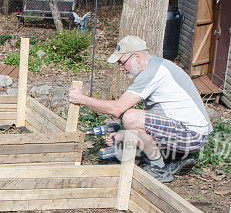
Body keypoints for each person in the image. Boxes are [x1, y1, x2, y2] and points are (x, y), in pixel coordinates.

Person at [67, 35, 212, 182]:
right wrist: (122, 135)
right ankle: (177, 160)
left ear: (136, 56)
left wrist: (82, 99)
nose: (121, 68)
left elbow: (118, 109)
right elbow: (150, 122)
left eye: (122, 62)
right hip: (188, 132)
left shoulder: (153, 72)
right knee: (131, 124)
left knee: (130, 117)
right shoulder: (157, 66)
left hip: (191, 135)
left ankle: (159, 169)